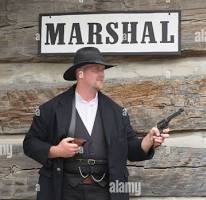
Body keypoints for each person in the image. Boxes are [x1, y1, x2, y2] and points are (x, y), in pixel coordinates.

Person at [23, 47, 169, 200]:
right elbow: (30, 144)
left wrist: (148, 141)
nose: (102, 75)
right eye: (96, 70)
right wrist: (56, 151)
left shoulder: (117, 112)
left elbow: (130, 149)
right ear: (80, 73)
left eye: (103, 70)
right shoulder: (51, 109)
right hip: (63, 191)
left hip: (105, 192)